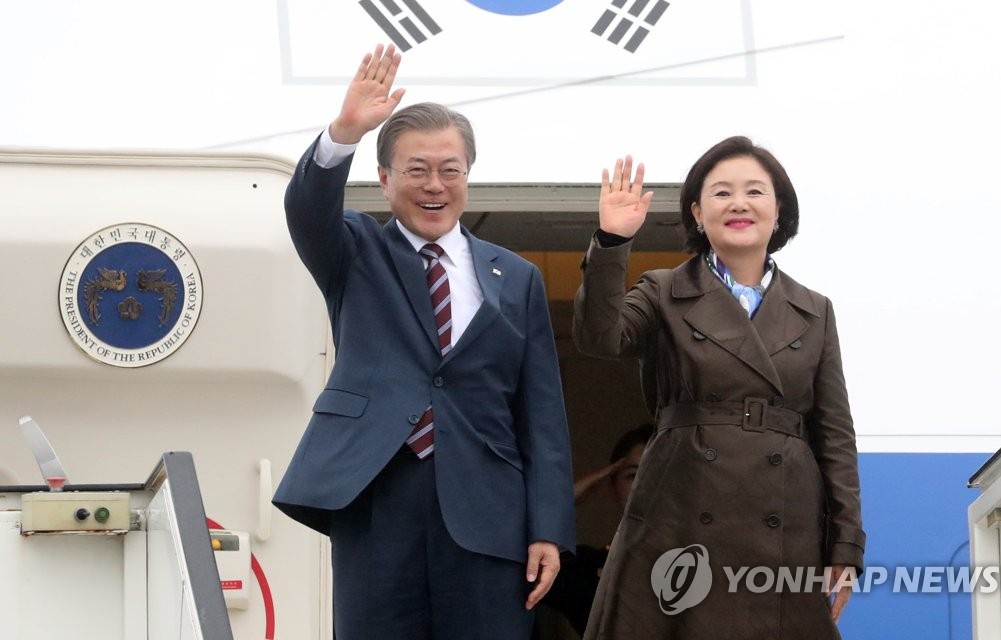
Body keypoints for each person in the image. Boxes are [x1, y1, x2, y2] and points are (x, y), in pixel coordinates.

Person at [272, 44, 575, 640]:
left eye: (449, 170)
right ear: (385, 180)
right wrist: (344, 132)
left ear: (467, 178)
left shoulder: (516, 276)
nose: (434, 185)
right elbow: (306, 209)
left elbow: (541, 414)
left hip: (488, 508)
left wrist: (548, 527)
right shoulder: (355, 251)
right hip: (376, 495)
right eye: (416, 170)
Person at [572, 138, 865, 639]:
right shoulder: (663, 290)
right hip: (680, 511)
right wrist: (612, 242)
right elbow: (600, 338)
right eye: (721, 193)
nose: (738, 204)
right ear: (697, 212)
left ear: (779, 210)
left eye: (755, 191)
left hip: (784, 520)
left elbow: (834, 434)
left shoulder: (815, 310)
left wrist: (845, 546)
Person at [541, 423, 654, 638]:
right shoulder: (587, 568)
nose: (647, 485)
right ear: (612, 484)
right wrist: (564, 502)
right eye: (633, 475)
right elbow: (507, 560)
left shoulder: (707, 561)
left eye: (660, 473)